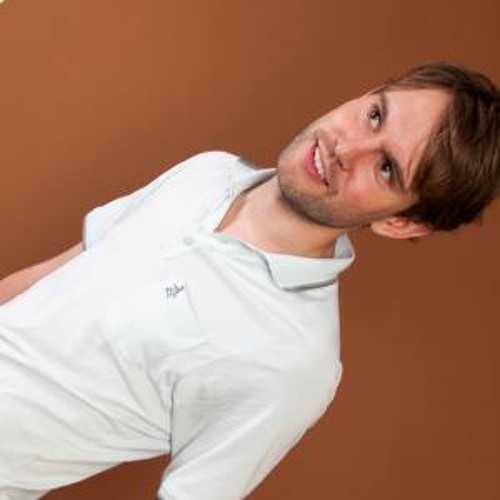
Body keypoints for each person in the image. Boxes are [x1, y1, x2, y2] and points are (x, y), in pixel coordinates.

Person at [0, 61, 498, 499]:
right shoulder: (208, 170)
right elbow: (56, 275)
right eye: (375, 115)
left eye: (387, 168)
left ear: (401, 223)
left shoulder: (296, 362)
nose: (347, 147)